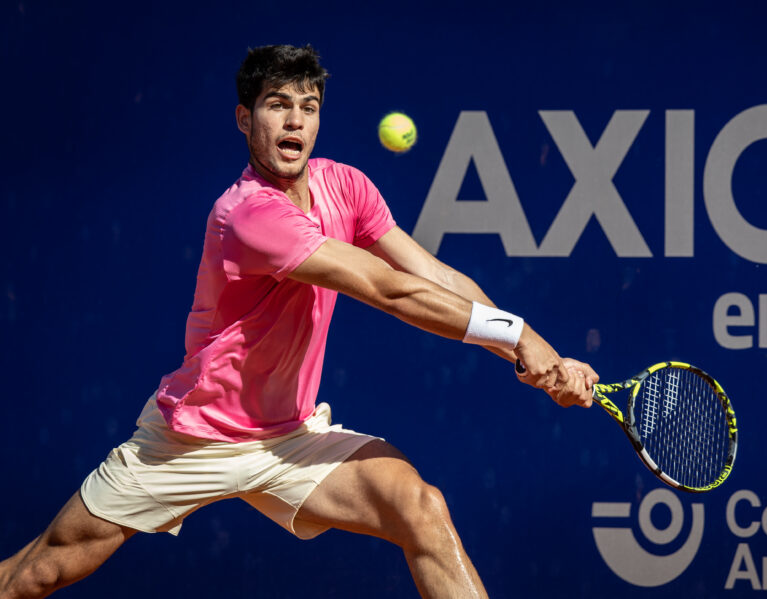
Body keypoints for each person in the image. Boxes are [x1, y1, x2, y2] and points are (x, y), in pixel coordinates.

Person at [0, 44, 597, 599]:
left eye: (307, 108)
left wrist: (533, 349)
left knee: (421, 508)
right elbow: (387, 289)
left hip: (290, 436)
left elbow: (434, 276)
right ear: (244, 118)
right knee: (38, 574)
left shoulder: (348, 186)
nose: (294, 122)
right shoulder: (247, 215)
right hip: (195, 438)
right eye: (277, 105)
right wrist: (519, 336)